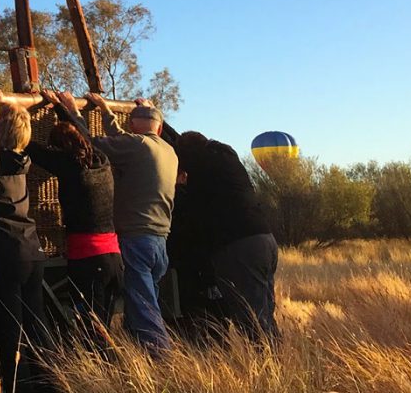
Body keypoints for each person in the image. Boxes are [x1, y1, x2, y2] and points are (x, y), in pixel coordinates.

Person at [78, 93, 177, 353]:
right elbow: (124, 139)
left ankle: (160, 359)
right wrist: (105, 109)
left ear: (134, 126)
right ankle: (140, 358)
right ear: (160, 127)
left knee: (143, 307)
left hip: (136, 237)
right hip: (160, 240)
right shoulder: (168, 150)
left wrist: (73, 113)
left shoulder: (137, 146)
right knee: (144, 303)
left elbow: (94, 142)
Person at [29, 90, 122, 334]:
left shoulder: (68, 165)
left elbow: (29, 146)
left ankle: (97, 371)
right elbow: (81, 134)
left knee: (91, 329)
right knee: (104, 327)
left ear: (60, 148)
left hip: (88, 260)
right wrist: (60, 107)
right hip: (113, 255)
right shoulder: (100, 158)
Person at [174, 130, 279, 342]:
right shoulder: (226, 158)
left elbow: (193, 210)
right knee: (265, 309)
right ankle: (275, 360)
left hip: (239, 245)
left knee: (249, 313)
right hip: (265, 239)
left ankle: (265, 363)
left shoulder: (201, 168)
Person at [0, 91, 53, 392]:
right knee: (37, 324)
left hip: (7, 251)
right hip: (31, 249)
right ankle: (50, 382)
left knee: (9, 329)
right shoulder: (22, 161)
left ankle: (11, 384)